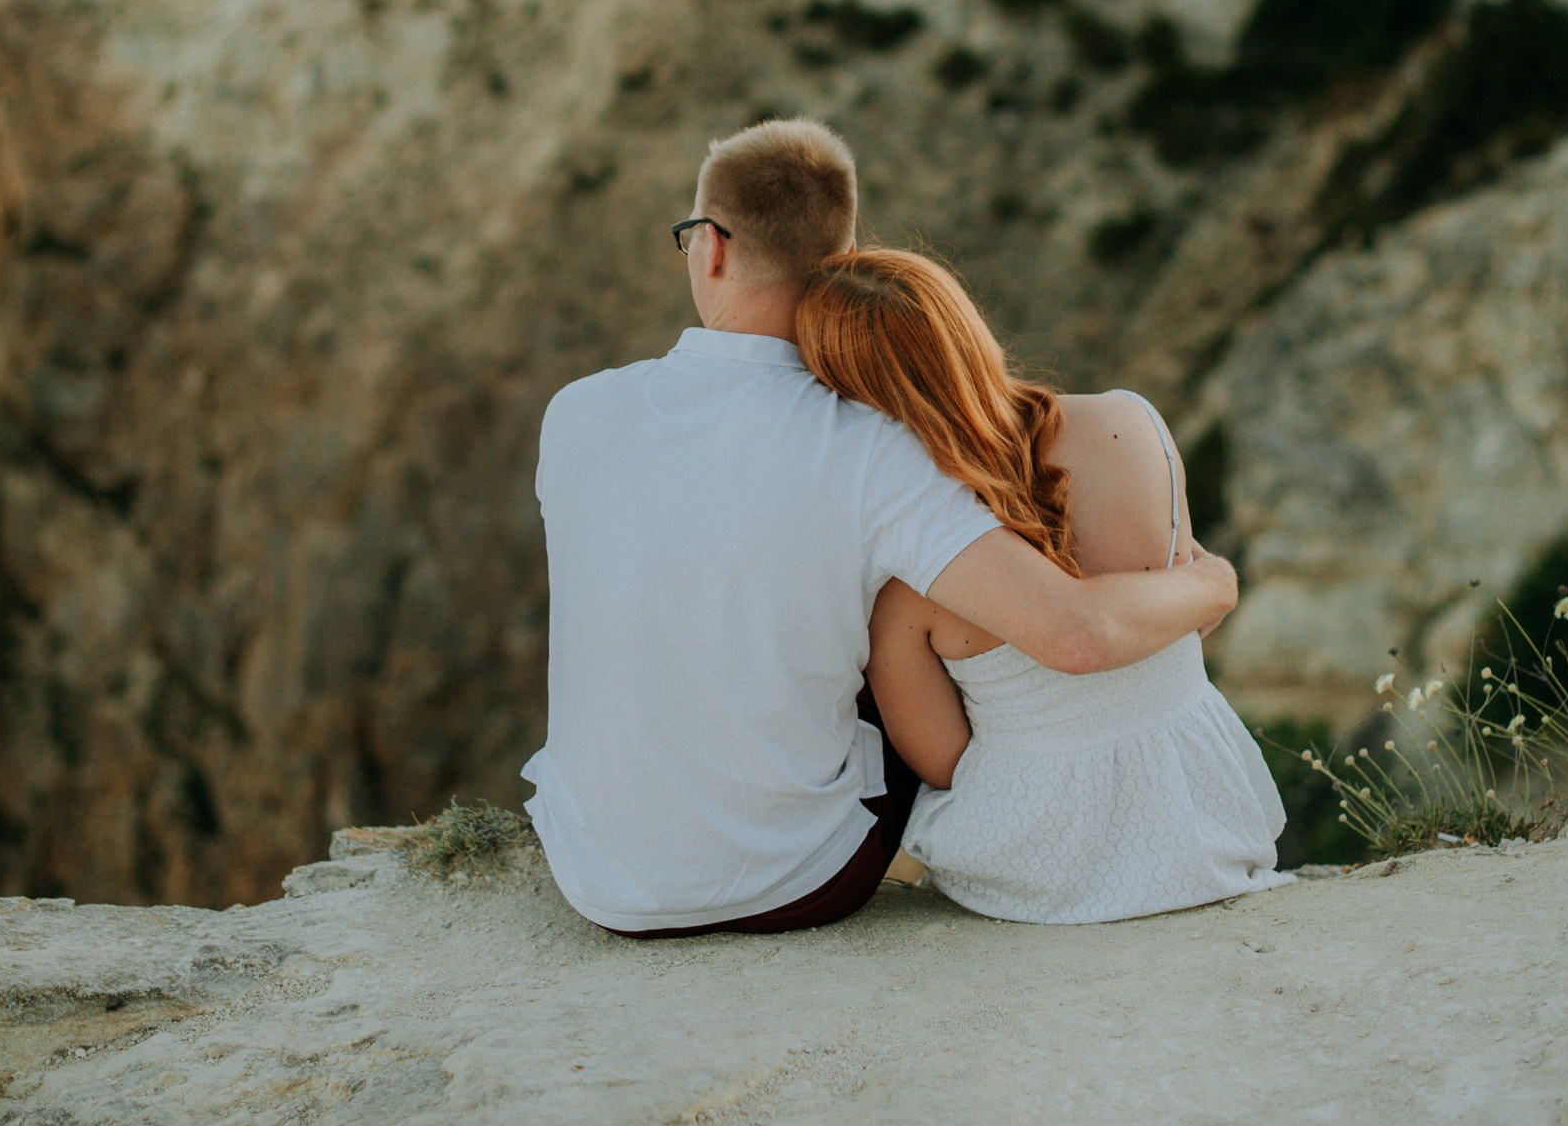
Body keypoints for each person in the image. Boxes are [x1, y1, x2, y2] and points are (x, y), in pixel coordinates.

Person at [523, 120, 1240, 937]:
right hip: (798, 883)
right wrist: (1214, 579)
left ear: (711, 248)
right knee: (886, 595)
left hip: (595, 875)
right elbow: (1071, 634)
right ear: (845, 255)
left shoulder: (575, 413)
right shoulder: (879, 450)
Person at [796, 247, 1289, 923]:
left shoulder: (904, 580)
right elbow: (1185, 622)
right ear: (966, 330)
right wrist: (1218, 579)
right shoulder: (1131, 423)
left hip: (1041, 861)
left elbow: (945, 762)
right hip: (1203, 808)